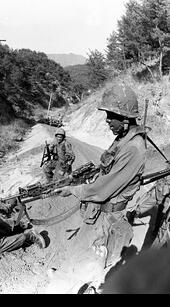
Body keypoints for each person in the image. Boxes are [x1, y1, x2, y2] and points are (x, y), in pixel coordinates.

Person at [55, 83, 147, 269]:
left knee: (99, 267)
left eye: (111, 116)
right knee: (87, 256)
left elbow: (103, 189)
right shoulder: (123, 138)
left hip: (112, 218)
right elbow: (106, 168)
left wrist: (74, 190)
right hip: (103, 214)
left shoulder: (133, 148)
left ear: (126, 118)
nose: (107, 120)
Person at [127, 176, 170, 249]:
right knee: (159, 214)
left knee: (160, 217)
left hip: (163, 193)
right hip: (163, 192)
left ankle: (133, 215)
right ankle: (133, 215)